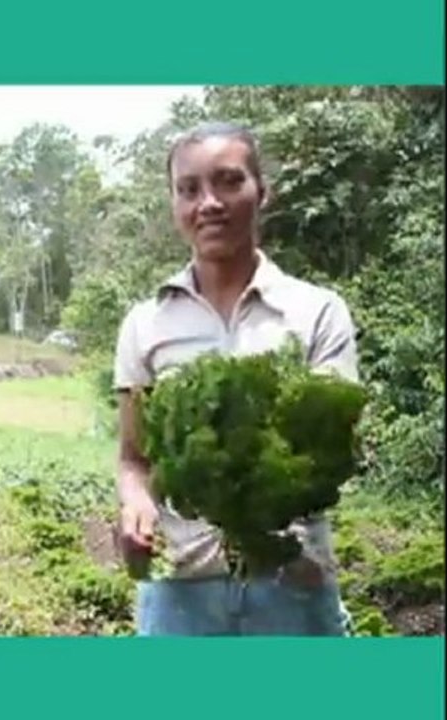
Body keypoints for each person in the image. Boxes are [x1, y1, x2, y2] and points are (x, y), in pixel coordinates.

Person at [113, 122, 358, 636]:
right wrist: (135, 507)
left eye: (228, 181)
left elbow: (330, 455)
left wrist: (258, 506)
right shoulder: (145, 323)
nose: (209, 203)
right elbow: (135, 459)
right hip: (180, 591)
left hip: (294, 583)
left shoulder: (316, 313)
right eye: (189, 189)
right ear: (174, 204)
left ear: (261, 191)